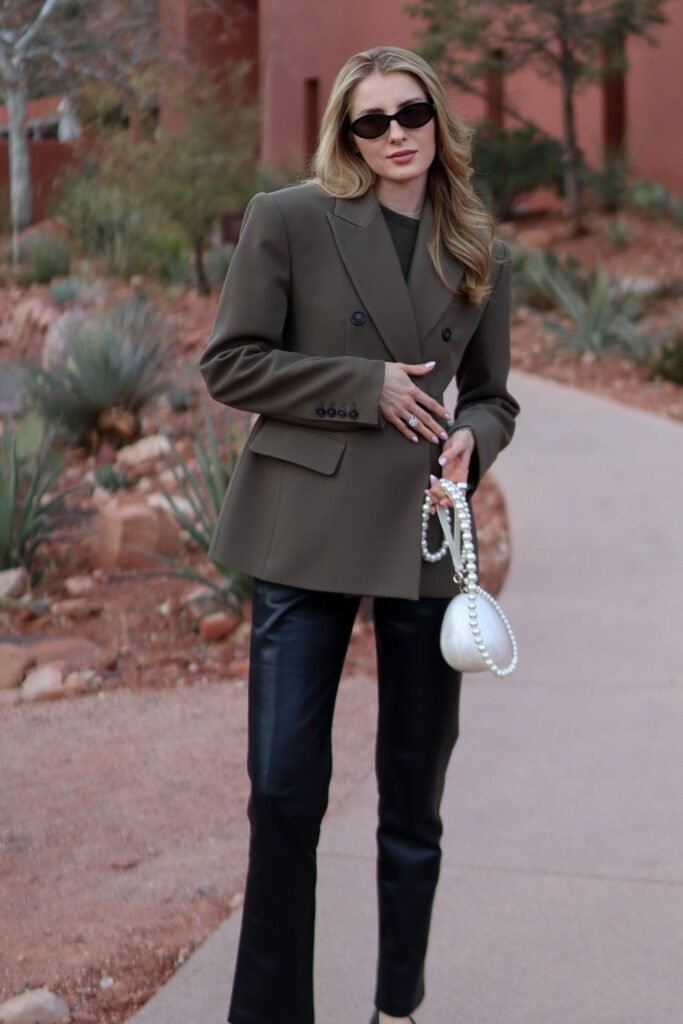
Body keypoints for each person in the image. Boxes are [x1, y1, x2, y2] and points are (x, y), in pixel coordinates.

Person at [199, 45, 520, 1024]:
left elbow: (495, 397)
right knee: (284, 790)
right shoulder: (289, 220)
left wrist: (472, 436)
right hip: (305, 532)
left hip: (420, 532)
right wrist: (362, 385)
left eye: (408, 113)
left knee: (411, 798)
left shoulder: (475, 246)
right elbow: (232, 364)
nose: (393, 136)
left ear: (436, 120)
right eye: (369, 121)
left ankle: (395, 1008)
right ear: (344, 133)